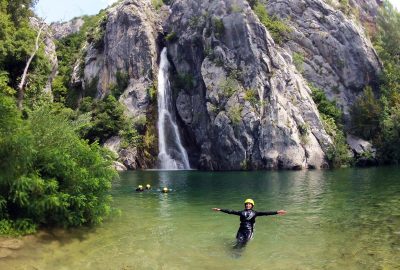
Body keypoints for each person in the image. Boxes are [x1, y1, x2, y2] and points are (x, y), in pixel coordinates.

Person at [212, 199, 286, 248]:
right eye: (247, 204)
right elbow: (230, 211)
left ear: (252, 205)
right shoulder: (241, 212)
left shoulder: (255, 213)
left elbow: (266, 213)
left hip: (249, 230)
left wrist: (277, 212)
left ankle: (238, 254)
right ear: (245, 205)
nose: (248, 205)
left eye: (249, 204)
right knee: (238, 242)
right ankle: (234, 253)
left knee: (244, 244)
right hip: (241, 230)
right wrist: (220, 209)